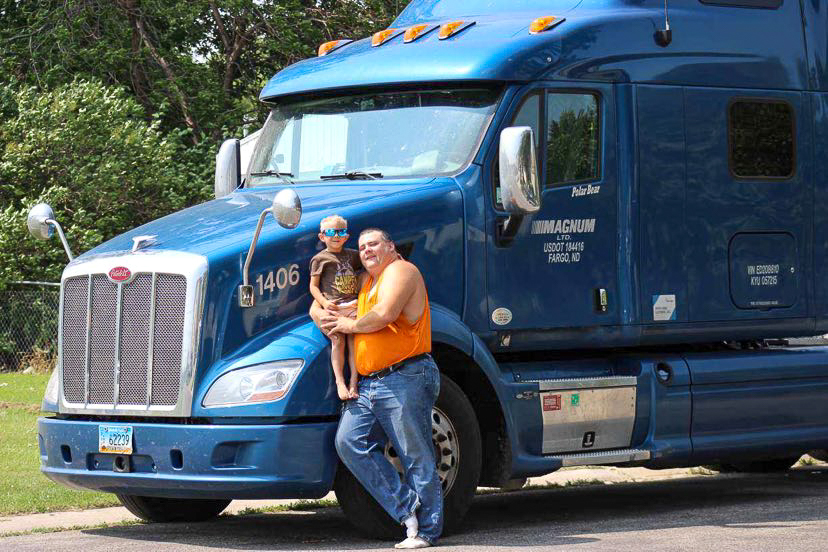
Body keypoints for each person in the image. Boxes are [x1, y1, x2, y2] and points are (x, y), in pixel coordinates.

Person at [320, 228, 442, 549]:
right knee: (349, 442)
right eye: (361, 247)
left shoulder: (401, 271)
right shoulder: (367, 282)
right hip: (369, 383)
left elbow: (384, 314)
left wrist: (348, 325)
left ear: (390, 245)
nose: (366, 251)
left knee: (415, 454)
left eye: (373, 244)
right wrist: (325, 314)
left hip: (405, 375)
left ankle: (427, 531)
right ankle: (407, 508)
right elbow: (339, 306)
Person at [309, 214, 361, 400]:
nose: (336, 235)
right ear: (322, 236)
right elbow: (313, 286)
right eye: (331, 232)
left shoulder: (353, 255)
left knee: (353, 341)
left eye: (341, 231)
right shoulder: (320, 259)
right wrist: (324, 303)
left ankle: (354, 381)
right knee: (337, 341)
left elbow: (371, 262)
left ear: (346, 236)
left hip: (352, 304)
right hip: (334, 307)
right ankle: (340, 381)